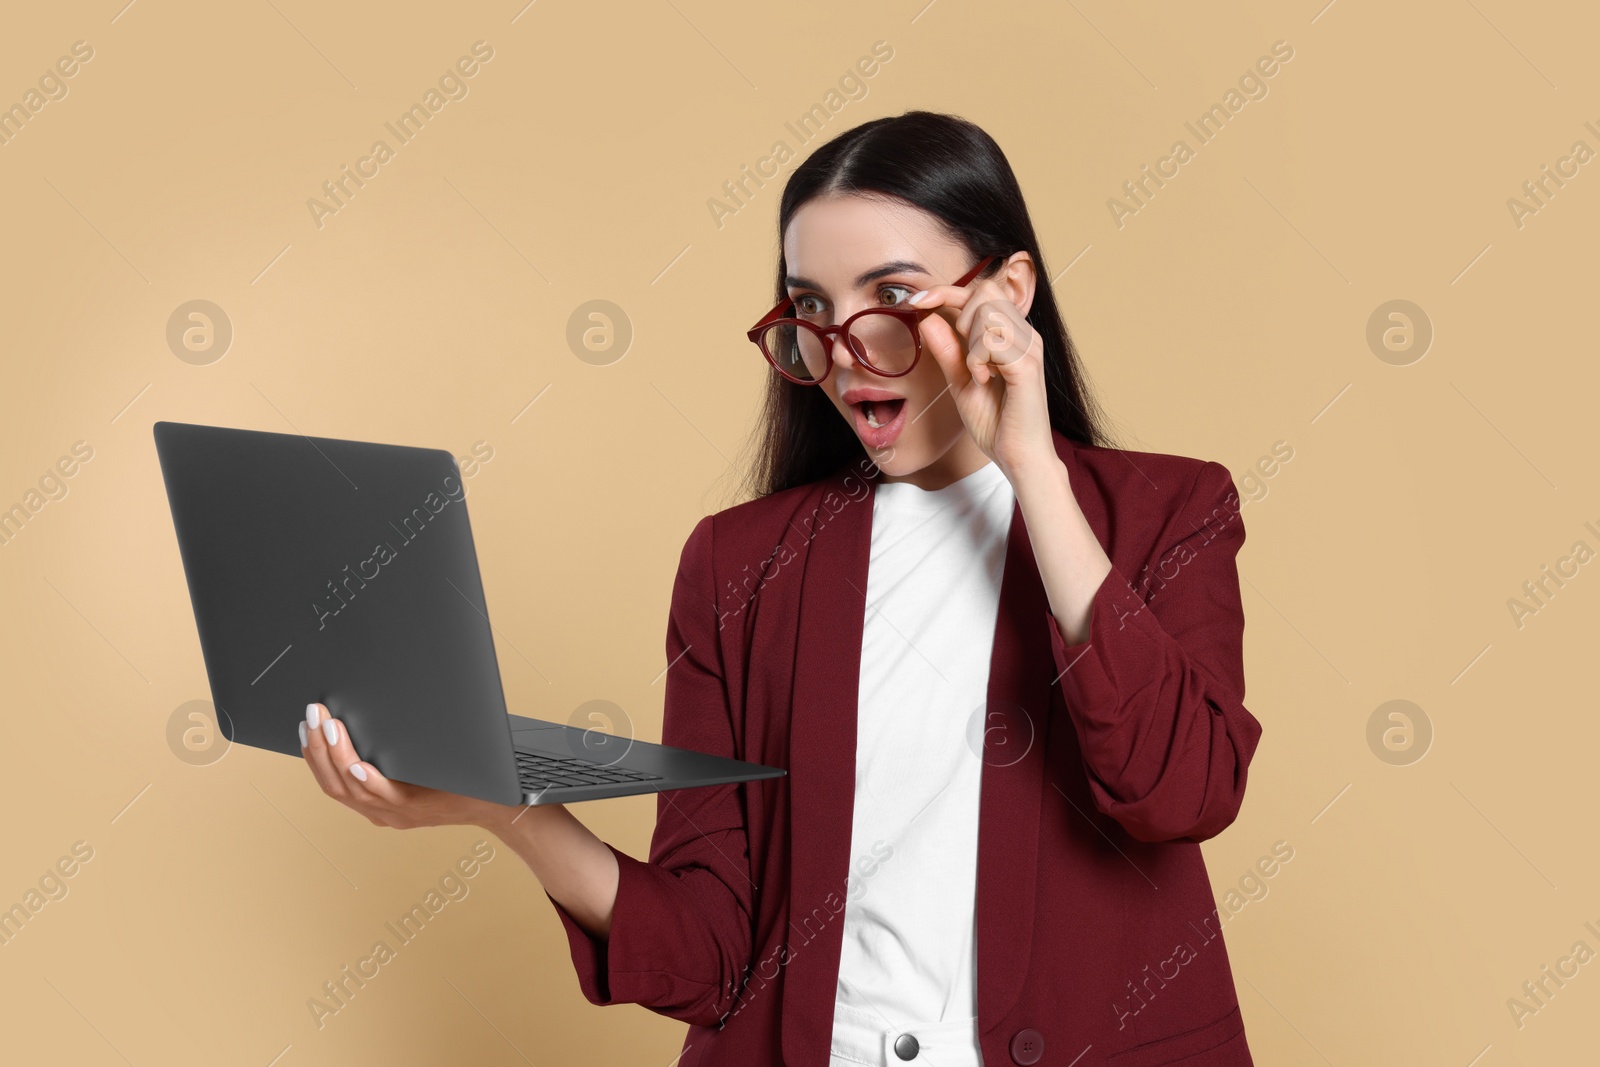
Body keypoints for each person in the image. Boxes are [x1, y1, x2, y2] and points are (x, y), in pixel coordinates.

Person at [299, 110, 1264, 1066]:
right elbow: (713, 957)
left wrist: (1033, 470)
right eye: (810, 309)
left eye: (891, 294)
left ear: (1005, 293)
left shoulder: (1169, 510)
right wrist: (503, 806)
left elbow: (1180, 792)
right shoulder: (738, 565)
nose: (844, 350)